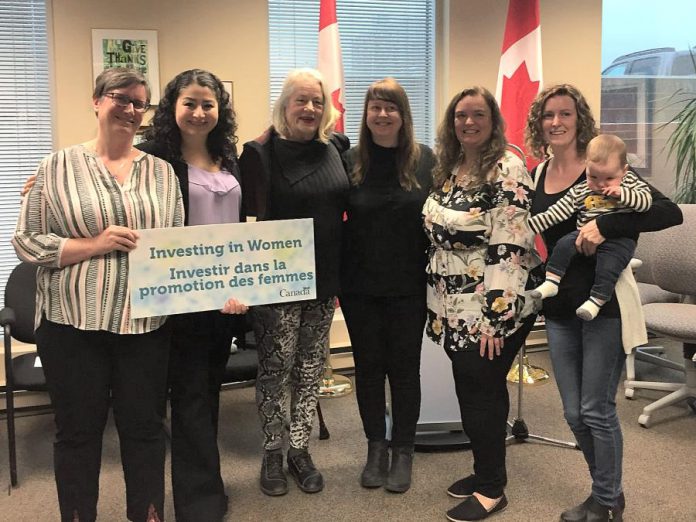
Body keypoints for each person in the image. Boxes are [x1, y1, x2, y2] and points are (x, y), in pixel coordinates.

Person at [12, 68, 183, 522]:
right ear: (97, 100)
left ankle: (147, 515)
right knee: (77, 434)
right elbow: (26, 241)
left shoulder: (163, 174)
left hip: (145, 325)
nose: (129, 109)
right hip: (71, 326)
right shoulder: (56, 167)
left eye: (138, 103)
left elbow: (178, 245)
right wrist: (94, 245)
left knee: (145, 431)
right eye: (120, 98)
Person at [524, 83, 683, 522]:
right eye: (548, 115)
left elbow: (669, 212)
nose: (556, 122)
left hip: (604, 305)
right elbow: (537, 224)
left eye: (566, 114)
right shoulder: (537, 174)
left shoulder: (605, 167)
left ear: (580, 121)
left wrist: (607, 227)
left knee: (597, 408)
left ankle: (607, 499)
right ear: (539, 122)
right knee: (574, 413)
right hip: (559, 308)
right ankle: (606, 492)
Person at [422, 86, 541, 522]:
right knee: (472, 389)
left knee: (481, 392)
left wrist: (495, 319)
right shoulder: (451, 167)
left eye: (477, 114)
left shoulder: (507, 168)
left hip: (493, 307)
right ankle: (484, 470)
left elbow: (510, 246)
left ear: (492, 120)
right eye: (460, 115)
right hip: (452, 304)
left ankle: (493, 489)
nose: (468, 122)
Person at [137, 69, 248, 522]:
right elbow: (98, 167)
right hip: (178, 302)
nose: (199, 112)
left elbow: (239, 233)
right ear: (172, 107)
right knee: (189, 400)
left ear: (219, 110)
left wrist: (244, 286)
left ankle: (208, 485)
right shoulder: (153, 159)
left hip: (223, 303)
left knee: (208, 393)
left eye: (208, 104)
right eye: (190, 103)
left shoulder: (230, 156)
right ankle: (198, 504)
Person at [238, 68, 350, 497]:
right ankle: (272, 450)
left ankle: (299, 450)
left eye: (317, 101)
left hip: (325, 278)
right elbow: (244, 220)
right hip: (278, 284)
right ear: (284, 105)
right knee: (275, 368)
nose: (309, 108)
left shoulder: (336, 146)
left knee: (309, 369)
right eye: (300, 100)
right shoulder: (259, 154)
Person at [340, 78, 435, 493]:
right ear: (366, 114)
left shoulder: (425, 160)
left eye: (390, 107)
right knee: (368, 371)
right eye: (374, 107)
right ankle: (375, 447)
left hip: (409, 287)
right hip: (360, 287)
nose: (382, 114)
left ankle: (404, 450)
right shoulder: (349, 159)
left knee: (404, 371)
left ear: (403, 115)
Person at [529, 134, 652, 320]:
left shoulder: (630, 183)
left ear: (624, 171)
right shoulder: (583, 189)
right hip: (582, 234)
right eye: (593, 176)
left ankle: (596, 300)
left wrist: (622, 193)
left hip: (618, 241)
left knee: (608, 266)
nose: (600, 184)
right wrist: (529, 226)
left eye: (609, 178)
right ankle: (552, 281)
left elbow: (646, 203)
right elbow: (557, 212)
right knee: (563, 245)